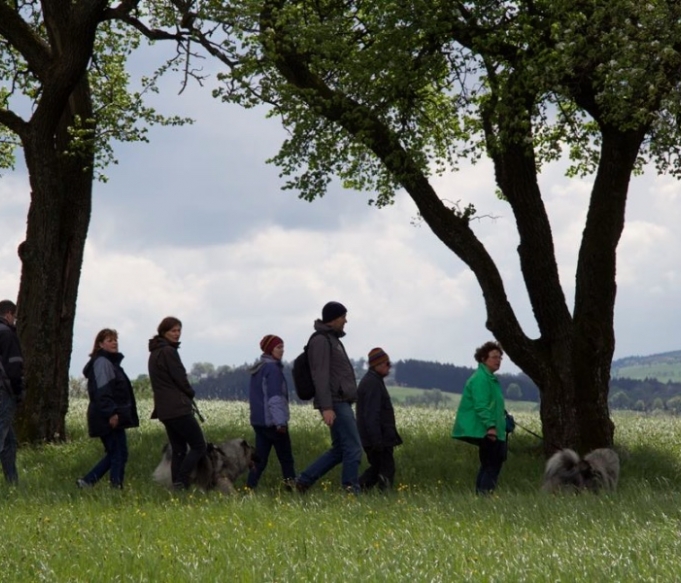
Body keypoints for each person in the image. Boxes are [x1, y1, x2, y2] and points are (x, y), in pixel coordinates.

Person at [295, 301, 362, 493]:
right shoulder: (321, 341)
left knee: (340, 450)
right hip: (336, 403)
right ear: (333, 319)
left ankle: (303, 481)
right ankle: (350, 491)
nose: (345, 321)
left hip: (339, 401)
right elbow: (320, 375)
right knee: (354, 448)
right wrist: (326, 407)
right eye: (343, 317)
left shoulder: (332, 339)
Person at [148, 316, 207, 490]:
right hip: (178, 408)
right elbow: (180, 377)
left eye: (179, 330)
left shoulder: (155, 352)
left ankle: (177, 486)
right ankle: (182, 480)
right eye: (173, 331)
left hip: (164, 410)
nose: (177, 334)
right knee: (199, 446)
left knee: (179, 449)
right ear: (163, 332)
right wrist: (190, 392)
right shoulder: (168, 352)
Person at [77, 329, 139, 489]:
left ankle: (88, 481)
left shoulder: (111, 363)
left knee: (119, 453)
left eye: (115, 340)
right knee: (117, 454)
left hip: (112, 414)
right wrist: (111, 413)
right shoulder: (102, 363)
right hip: (106, 416)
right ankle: (115, 487)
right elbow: (102, 392)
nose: (114, 343)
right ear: (100, 344)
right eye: (109, 340)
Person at [451, 340, 507, 495]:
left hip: (494, 430)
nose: (498, 361)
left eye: (500, 358)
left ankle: (482, 497)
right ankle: (484, 497)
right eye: (494, 357)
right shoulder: (481, 379)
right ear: (483, 358)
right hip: (488, 431)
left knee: (489, 465)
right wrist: (491, 427)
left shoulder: (489, 378)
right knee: (491, 466)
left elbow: (493, 406)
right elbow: (481, 406)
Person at [246, 334, 296, 490]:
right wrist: (280, 422)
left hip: (259, 422)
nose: (282, 351)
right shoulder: (273, 369)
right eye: (278, 347)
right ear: (270, 349)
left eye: (283, 347)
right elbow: (275, 398)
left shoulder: (258, 368)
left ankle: (249, 488)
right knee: (286, 459)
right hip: (273, 423)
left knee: (260, 460)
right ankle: (292, 487)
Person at [356, 347, 402, 491]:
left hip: (377, 437)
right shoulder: (372, 384)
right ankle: (380, 496)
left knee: (377, 469)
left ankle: (356, 490)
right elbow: (371, 414)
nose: (389, 367)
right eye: (387, 364)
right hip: (378, 438)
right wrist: (377, 440)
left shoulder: (374, 381)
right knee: (386, 469)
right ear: (378, 365)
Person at [0, 300, 23, 485]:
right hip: (4, 392)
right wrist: (18, 392)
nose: (14, 319)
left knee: (9, 442)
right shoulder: (7, 334)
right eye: (14, 315)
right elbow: (15, 368)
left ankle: (12, 483)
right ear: (8, 313)